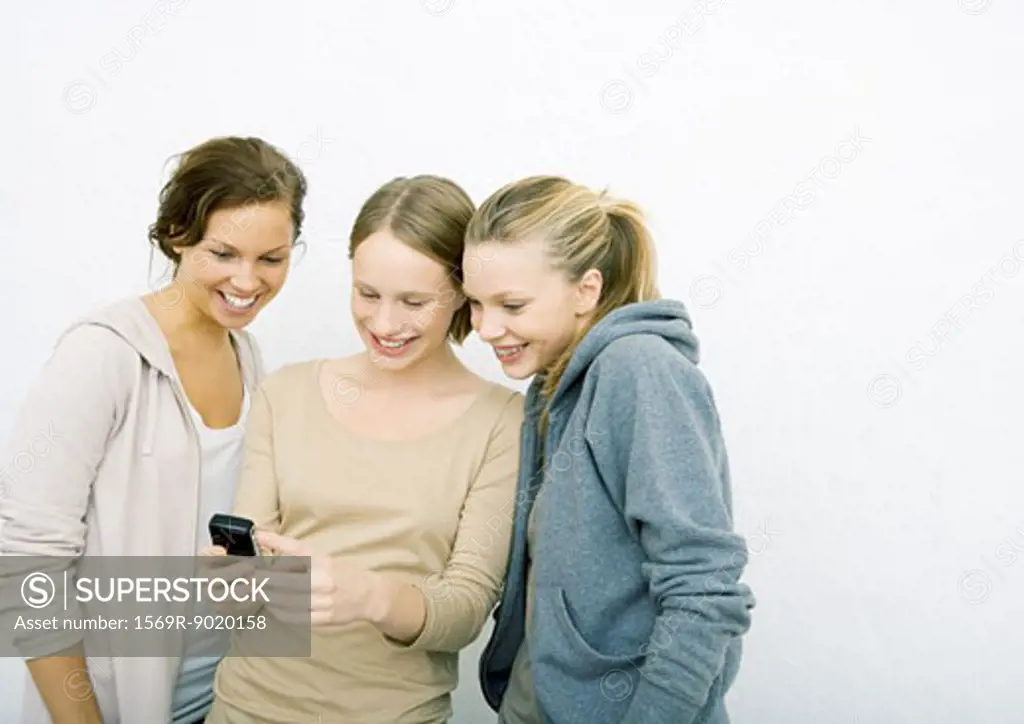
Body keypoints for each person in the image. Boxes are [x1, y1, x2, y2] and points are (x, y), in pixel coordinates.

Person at [0, 135, 307, 724]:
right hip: (114, 705)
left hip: (223, 697)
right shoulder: (102, 355)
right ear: (176, 235)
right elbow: (30, 565)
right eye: (223, 254)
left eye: (272, 258)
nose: (248, 281)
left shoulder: (249, 358)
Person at [205, 175, 524, 724]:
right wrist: (229, 583)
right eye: (367, 293)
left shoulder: (503, 421)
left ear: (461, 295)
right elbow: (249, 562)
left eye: (414, 302)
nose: (384, 324)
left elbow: (467, 608)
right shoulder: (285, 393)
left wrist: (371, 597)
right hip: (244, 708)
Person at [462, 176, 756, 724]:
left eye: (511, 304)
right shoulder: (551, 387)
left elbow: (706, 591)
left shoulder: (639, 371)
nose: (485, 327)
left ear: (586, 290)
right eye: (476, 304)